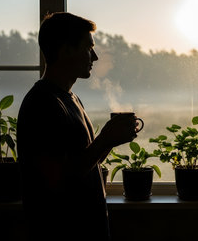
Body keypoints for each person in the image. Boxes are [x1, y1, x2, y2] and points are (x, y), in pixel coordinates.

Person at [17, 12, 137, 241]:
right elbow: (59, 179)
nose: (95, 56)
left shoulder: (69, 99)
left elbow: (84, 164)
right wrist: (105, 139)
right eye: (88, 47)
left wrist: (110, 140)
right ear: (65, 50)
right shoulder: (41, 104)